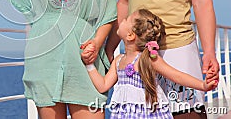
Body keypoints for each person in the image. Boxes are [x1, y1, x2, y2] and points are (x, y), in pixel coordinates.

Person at [85, 9, 217, 119]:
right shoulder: (118, 60)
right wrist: (89, 65)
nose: (122, 20)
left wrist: (203, 85)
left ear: (131, 35)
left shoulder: (148, 59)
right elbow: (103, 86)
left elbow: (176, 75)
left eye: (126, 19)